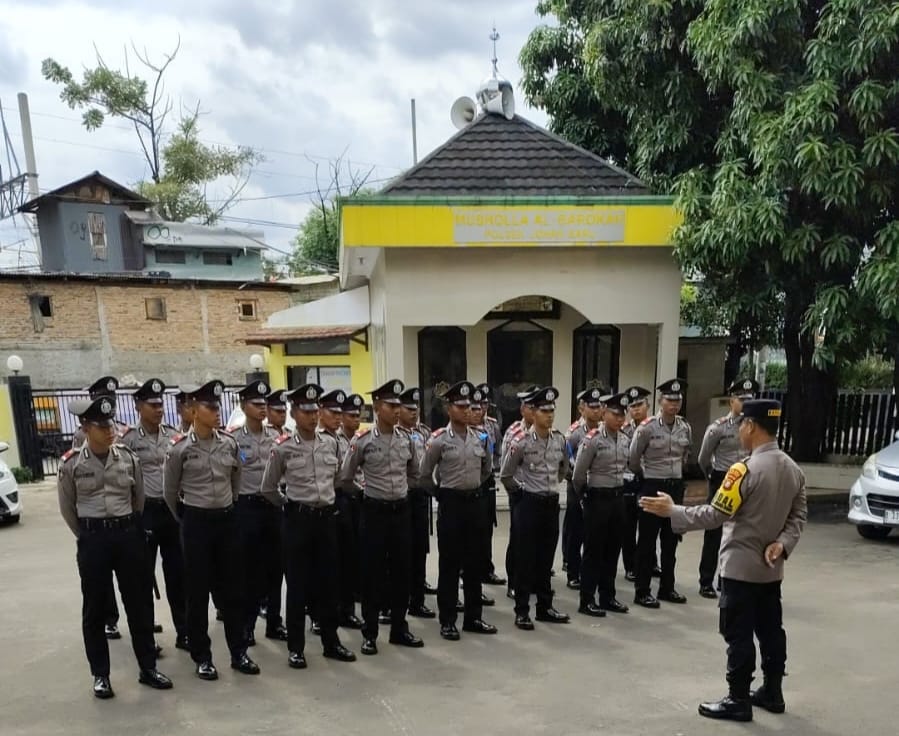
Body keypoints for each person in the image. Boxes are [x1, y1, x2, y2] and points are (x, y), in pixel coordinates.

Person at [640, 399, 807, 722]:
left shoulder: (744, 470)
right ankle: (773, 691)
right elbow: (799, 515)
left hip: (740, 568)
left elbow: (715, 515)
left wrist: (673, 511)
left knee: (738, 634)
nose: (739, 430)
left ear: (751, 426)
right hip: (771, 570)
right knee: (771, 630)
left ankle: (738, 698)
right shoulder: (792, 468)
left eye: (742, 424)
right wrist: (783, 544)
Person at [58, 396, 172, 699]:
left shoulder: (128, 458)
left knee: (139, 605)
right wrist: (88, 534)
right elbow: (68, 508)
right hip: (93, 539)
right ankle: (101, 675)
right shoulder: (71, 464)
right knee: (95, 609)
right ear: (85, 428)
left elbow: (139, 500)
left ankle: (148, 668)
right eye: (101, 426)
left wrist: (127, 528)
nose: (110, 431)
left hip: (127, 535)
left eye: (110, 425)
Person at [163, 380, 260, 681]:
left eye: (218, 407)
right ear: (193, 411)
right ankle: (202, 657)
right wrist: (187, 519)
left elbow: (236, 480)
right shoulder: (179, 448)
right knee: (197, 593)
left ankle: (238, 652)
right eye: (210, 407)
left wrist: (228, 506)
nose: (217, 412)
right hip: (196, 523)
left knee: (233, 590)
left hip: (226, 521)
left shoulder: (229, 443)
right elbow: (169, 492)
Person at [260, 384, 357, 669]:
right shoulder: (283, 447)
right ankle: (296, 648)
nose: (313, 417)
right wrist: (290, 505)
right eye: (306, 412)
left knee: (329, 583)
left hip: (326, 519)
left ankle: (331, 642)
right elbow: (268, 488)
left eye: (315, 411)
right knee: (297, 585)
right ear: (294, 413)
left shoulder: (330, 443)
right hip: (298, 521)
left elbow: (338, 478)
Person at [337, 379, 425, 655]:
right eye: (391, 405)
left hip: (400, 512)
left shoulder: (407, 439)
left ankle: (399, 628)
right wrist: (365, 494)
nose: (397, 410)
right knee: (372, 574)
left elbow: (415, 474)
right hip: (373, 513)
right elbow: (346, 478)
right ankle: (370, 633)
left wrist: (401, 491)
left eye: (399, 405)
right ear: (376, 407)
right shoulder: (362, 441)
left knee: (401, 572)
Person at [420, 381, 497, 640]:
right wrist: (440, 494)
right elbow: (424, 475)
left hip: (474, 503)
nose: (466, 411)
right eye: (460, 406)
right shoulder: (439, 440)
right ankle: (448, 620)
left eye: (469, 406)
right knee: (450, 564)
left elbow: (486, 470)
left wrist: (473, 488)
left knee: (474, 563)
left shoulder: (481, 438)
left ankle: (474, 617)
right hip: (451, 504)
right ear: (448, 409)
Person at [119, 378, 188, 651]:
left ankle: (184, 632)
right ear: (138, 406)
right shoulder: (128, 440)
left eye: (161, 405)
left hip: (171, 511)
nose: (159, 409)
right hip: (144, 512)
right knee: (143, 577)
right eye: (152, 405)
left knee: (178, 574)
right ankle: (147, 638)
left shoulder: (173, 435)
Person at [500, 386, 571, 630]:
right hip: (528, 503)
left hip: (550, 504)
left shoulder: (559, 440)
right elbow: (506, 474)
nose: (549, 416)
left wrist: (552, 485)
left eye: (552, 411)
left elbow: (563, 468)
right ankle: (522, 611)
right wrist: (520, 494)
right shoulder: (520, 441)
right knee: (525, 559)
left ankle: (544, 607)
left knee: (545, 558)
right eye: (544, 411)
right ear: (533, 412)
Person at [227, 380, 287, 645]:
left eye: (264, 404)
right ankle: (247, 626)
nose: (262, 408)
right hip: (247, 508)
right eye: (256, 404)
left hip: (273, 506)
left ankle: (274, 622)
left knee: (276, 568)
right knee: (248, 571)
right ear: (243, 406)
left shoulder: (276, 436)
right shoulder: (233, 439)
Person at [71, 375, 129, 640]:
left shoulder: (123, 429)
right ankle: (110, 619)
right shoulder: (80, 436)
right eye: (103, 398)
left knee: (134, 578)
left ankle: (143, 624)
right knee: (100, 579)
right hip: (94, 517)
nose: (109, 403)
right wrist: (84, 528)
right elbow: (72, 486)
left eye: (112, 399)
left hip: (122, 511)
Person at [628, 379, 692, 609]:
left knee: (671, 540)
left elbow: (686, 456)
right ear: (660, 401)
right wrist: (646, 478)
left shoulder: (685, 427)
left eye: (677, 400)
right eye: (669, 400)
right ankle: (642, 591)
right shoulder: (647, 428)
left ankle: (667, 587)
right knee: (647, 541)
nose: (674, 404)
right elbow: (633, 459)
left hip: (675, 487)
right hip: (652, 486)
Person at [696, 378, 759, 598]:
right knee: (714, 531)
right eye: (741, 400)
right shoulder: (718, 428)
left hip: (747, 480)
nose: (745, 404)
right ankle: (706, 581)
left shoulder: (755, 426)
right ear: (732, 401)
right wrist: (713, 478)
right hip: (723, 480)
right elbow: (703, 459)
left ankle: (727, 579)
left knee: (738, 533)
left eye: (749, 400)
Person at [572, 392, 632, 617]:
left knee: (612, 549)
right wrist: (584, 497)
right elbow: (578, 475)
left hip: (617, 499)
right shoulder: (592, 439)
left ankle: (607, 596)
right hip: (597, 499)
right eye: (615, 414)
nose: (619, 419)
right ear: (604, 413)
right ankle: (587, 599)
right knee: (593, 551)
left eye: (622, 415)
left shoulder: (624, 439)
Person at [397, 387, 436, 619]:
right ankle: (396, 601)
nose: (414, 413)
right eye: (409, 409)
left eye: (416, 408)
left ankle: (417, 599)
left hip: (420, 496)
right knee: (400, 552)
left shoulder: (423, 432)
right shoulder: (394, 434)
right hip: (401, 497)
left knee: (420, 549)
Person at [500, 385, 540, 599]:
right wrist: (515, 493)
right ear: (523, 409)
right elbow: (505, 468)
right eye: (532, 407)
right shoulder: (514, 432)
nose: (536, 411)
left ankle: (531, 581)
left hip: (540, 494)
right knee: (518, 539)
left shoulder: (547, 433)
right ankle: (514, 583)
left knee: (536, 541)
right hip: (520, 493)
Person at [563, 387, 605, 590]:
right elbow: (565, 461)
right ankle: (573, 571)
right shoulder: (574, 433)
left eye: (599, 407)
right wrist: (577, 482)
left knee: (595, 533)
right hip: (577, 487)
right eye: (592, 407)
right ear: (582, 409)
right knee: (576, 531)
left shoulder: (604, 430)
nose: (596, 411)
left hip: (597, 488)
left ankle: (591, 570)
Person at [335, 393, 365, 629]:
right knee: (342, 558)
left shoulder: (361, 439)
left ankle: (356, 596)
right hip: (341, 501)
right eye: (351, 415)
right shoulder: (332, 440)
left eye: (358, 416)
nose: (356, 419)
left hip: (360, 501)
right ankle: (342, 609)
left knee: (359, 553)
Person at [474, 383, 505, 587]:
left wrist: (494, 467)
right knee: (471, 531)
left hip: (488, 481)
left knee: (486, 528)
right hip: (471, 482)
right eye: (478, 405)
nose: (482, 408)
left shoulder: (492, 426)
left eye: (485, 404)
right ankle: (468, 572)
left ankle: (487, 570)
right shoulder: (467, 428)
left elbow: (498, 451)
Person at [620, 386, 652, 583]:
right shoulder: (624, 430)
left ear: (648, 405)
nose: (636, 409)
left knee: (650, 527)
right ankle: (631, 566)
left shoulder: (655, 427)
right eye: (632, 406)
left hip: (650, 480)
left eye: (639, 404)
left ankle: (649, 562)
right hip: (630, 482)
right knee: (629, 527)